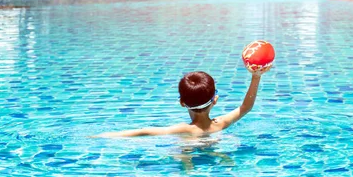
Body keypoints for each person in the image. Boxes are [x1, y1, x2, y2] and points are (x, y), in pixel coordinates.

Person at [96, 65, 270, 138]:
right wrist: (256, 76)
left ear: (182, 102)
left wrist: (106, 135)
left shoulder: (185, 129)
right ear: (215, 100)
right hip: (217, 145)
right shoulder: (221, 124)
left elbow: (145, 131)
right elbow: (247, 106)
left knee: (184, 155)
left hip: (191, 149)